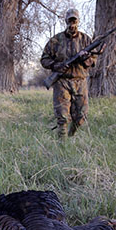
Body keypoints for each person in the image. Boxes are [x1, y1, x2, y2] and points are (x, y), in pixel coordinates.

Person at [40, 8, 97, 139]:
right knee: (62, 117)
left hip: (80, 81)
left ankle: (70, 136)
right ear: (66, 21)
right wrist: (56, 65)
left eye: (74, 21)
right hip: (62, 82)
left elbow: (93, 60)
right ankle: (62, 145)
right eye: (70, 21)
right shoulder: (56, 40)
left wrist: (86, 59)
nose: (72, 24)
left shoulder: (85, 40)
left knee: (81, 116)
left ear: (78, 21)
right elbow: (44, 59)